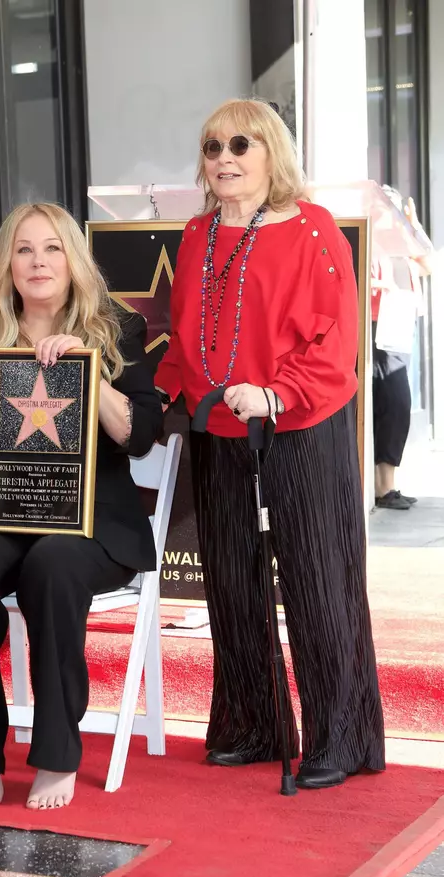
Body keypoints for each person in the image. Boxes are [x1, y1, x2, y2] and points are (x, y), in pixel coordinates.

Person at [155, 98, 385, 790]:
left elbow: (335, 342)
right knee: (230, 583)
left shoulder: (314, 231)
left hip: (300, 423)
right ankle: (251, 726)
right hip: (220, 428)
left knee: (317, 583)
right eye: (212, 147)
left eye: (241, 145)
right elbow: (188, 331)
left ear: (271, 153)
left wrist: (276, 392)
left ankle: (338, 739)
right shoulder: (197, 232)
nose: (224, 158)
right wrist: (176, 389)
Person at [0, 203, 163, 810]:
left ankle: (58, 753)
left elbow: (139, 435)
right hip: (9, 509)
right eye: (24, 249)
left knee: (54, 565)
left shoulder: (116, 327)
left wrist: (90, 373)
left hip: (96, 520)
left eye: (52, 248)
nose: (38, 262)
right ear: (6, 263)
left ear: (74, 261)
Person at [371, 191, 434, 510]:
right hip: (376, 329)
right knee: (391, 402)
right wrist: (382, 288)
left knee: (396, 407)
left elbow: (430, 263)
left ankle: (388, 484)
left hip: (399, 328)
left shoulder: (402, 241)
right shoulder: (370, 237)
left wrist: (415, 225)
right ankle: (379, 487)